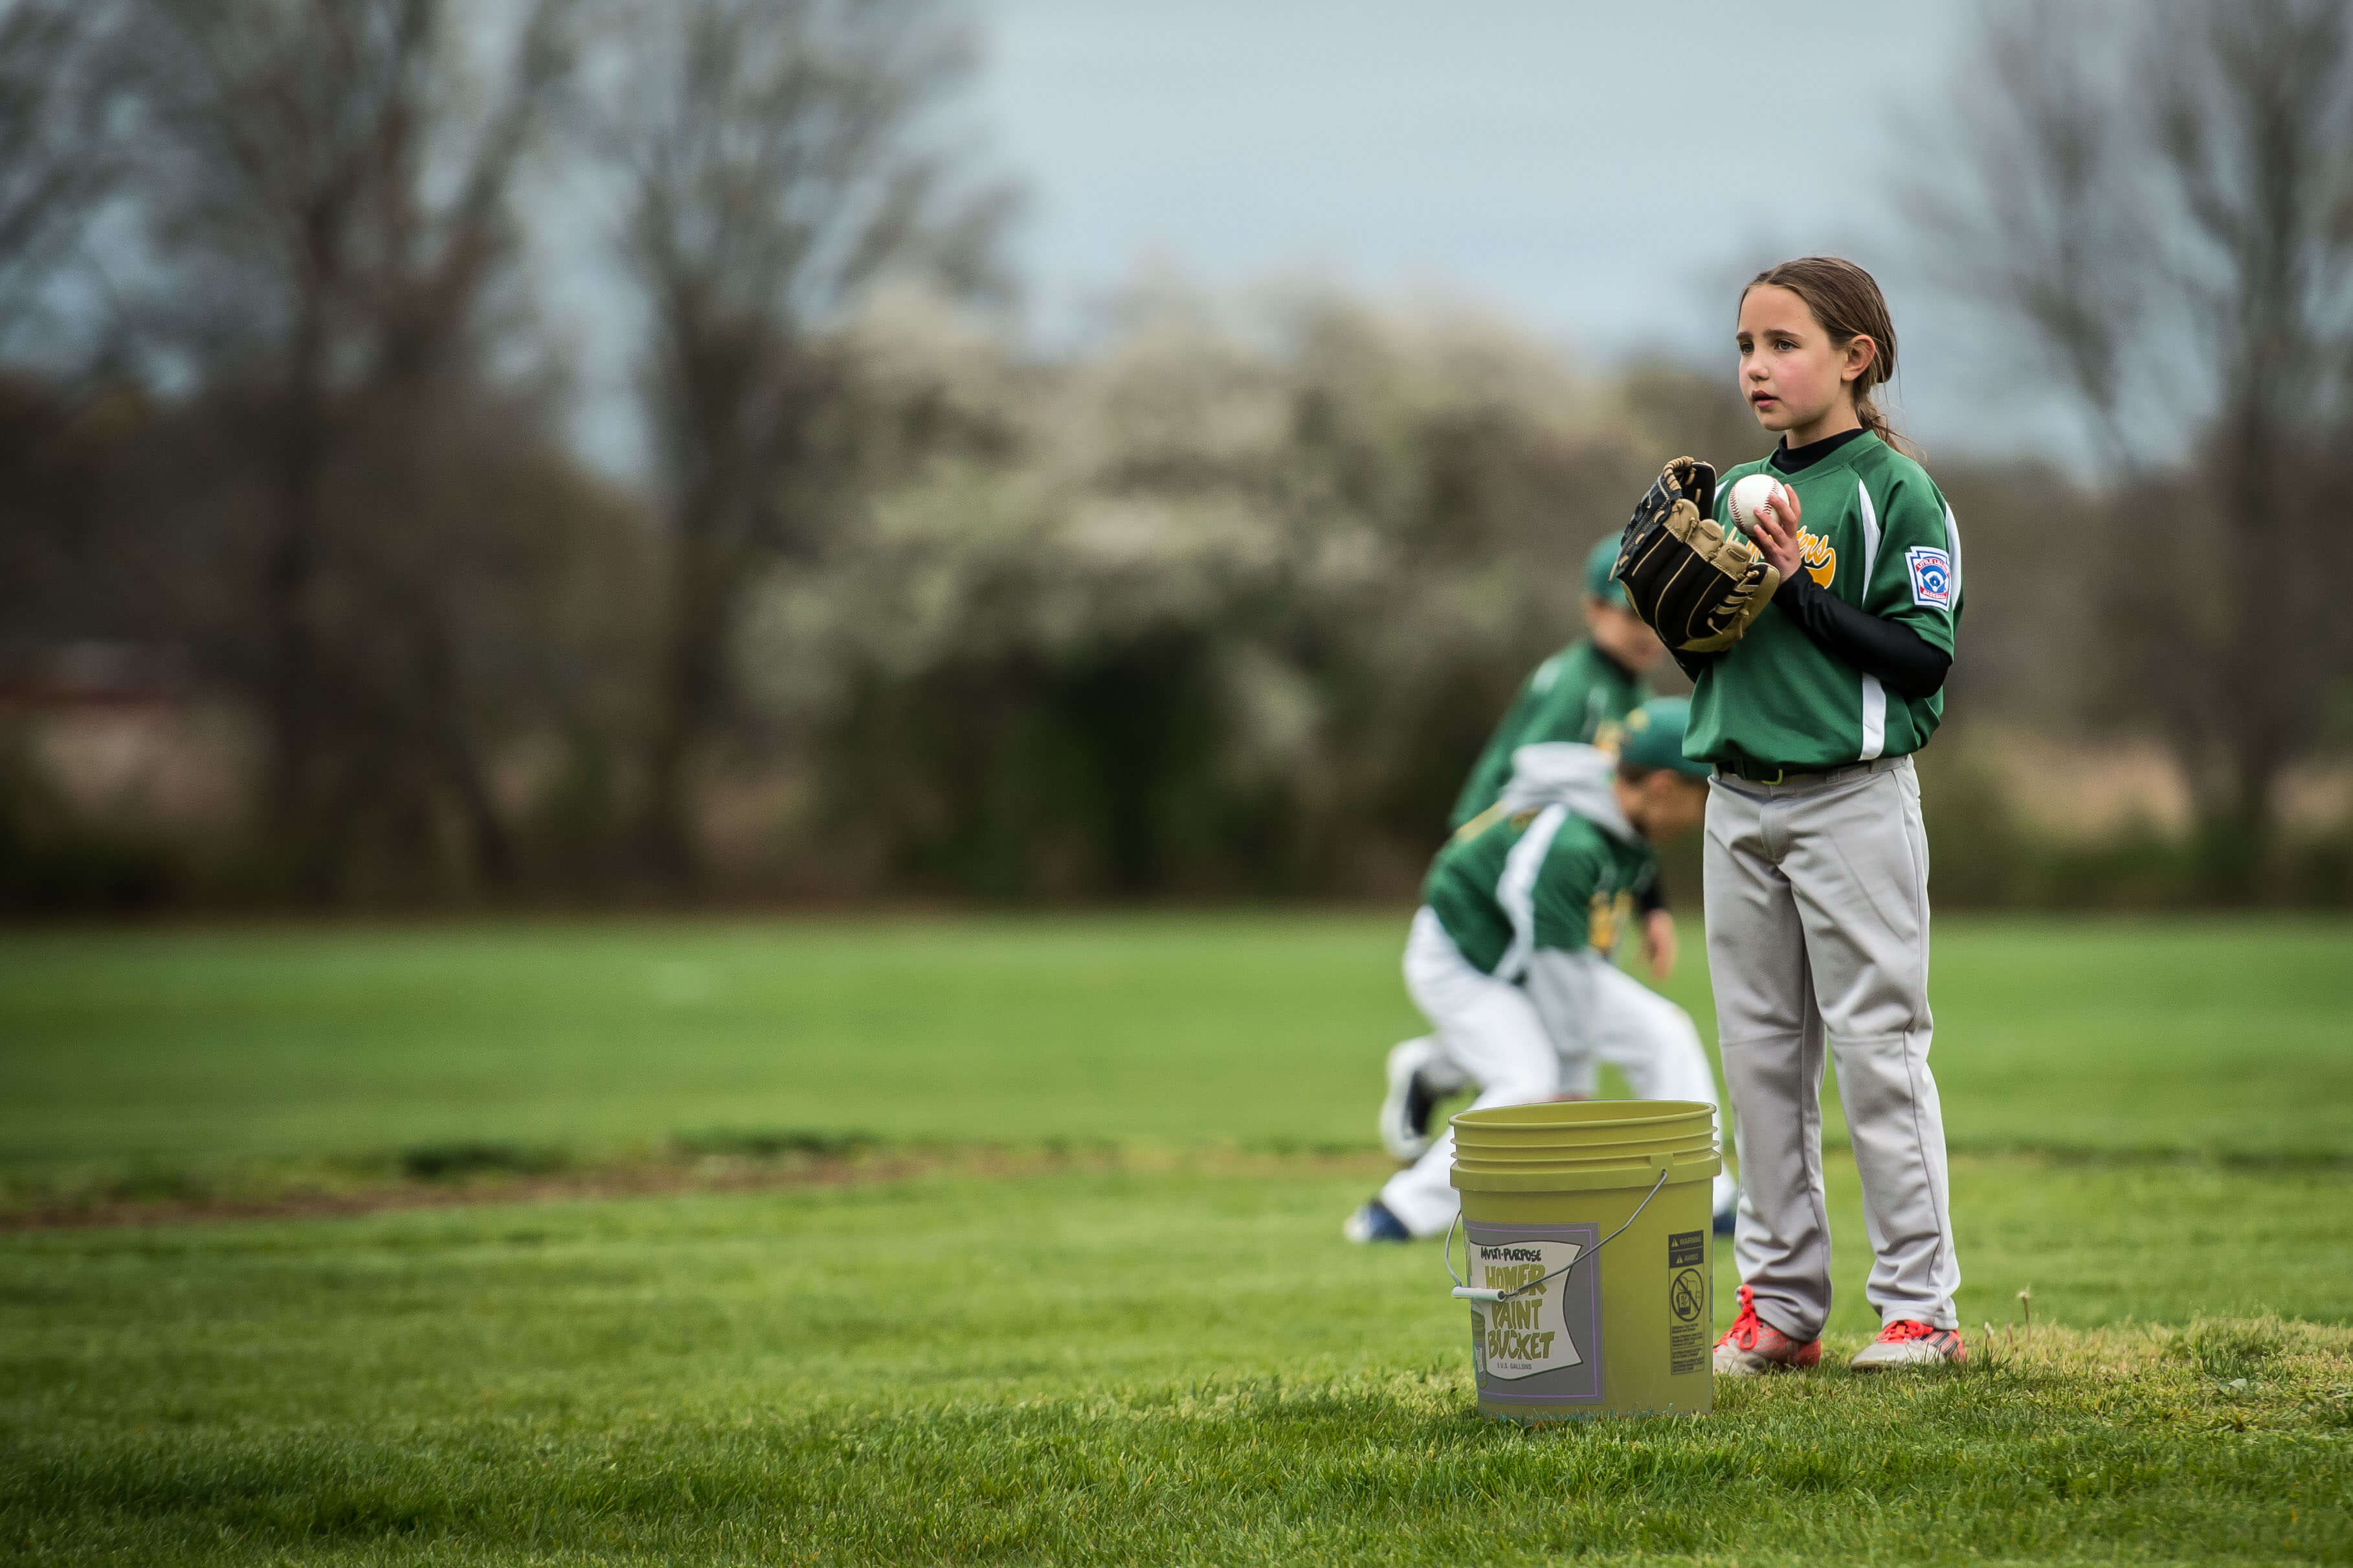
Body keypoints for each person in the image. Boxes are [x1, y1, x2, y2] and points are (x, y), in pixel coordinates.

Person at [1684, 256, 1967, 1372]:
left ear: (1857, 358)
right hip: (1736, 801)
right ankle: (1783, 1308)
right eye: (1746, 345)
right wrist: (1685, 566)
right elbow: (1702, 642)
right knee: (1758, 1060)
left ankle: (1918, 1311)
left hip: (1851, 802)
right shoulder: (1735, 490)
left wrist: (1797, 585)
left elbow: (1920, 657)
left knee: (1878, 1054)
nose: (1757, 365)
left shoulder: (1896, 491)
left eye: (1784, 343)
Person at [1345, 698, 1730, 1243]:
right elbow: (1557, 966)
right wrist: (1572, 1081)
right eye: (1701, 794)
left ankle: (1707, 1200)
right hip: (1460, 960)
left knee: (1664, 1033)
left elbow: (1627, 854)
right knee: (1530, 1082)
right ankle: (1395, 1212)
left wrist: (1653, 909)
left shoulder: (1620, 797)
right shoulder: (1569, 841)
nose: (1702, 812)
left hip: (1531, 956)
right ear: (1663, 786)